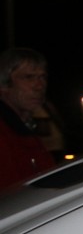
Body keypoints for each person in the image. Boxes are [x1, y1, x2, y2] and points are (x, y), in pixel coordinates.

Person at [0, 47, 56, 188]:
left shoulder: (25, 129)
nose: (40, 86)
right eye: (29, 77)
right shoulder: (5, 134)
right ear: (4, 84)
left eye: (42, 77)